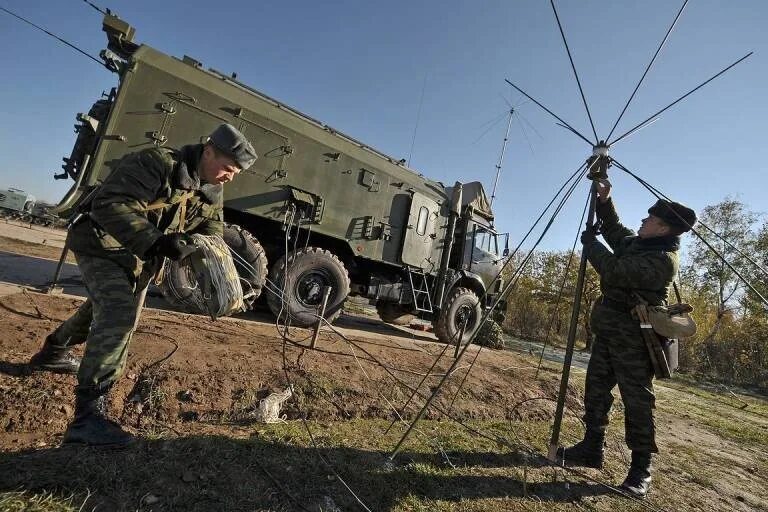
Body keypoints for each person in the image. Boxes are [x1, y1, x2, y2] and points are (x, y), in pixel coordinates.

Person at [29, 123, 257, 446]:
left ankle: (54, 349)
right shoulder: (157, 164)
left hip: (138, 255)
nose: (230, 177)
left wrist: (213, 267)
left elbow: (212, 233)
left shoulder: (212, 190)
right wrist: (159, 242)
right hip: (100, 241)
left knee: (103, 306)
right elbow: (109, 205)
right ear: (208, 151)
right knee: (120, 313)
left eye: (236, 172)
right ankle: (88, 417)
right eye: (228, 168)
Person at [557, 179, 696, 498]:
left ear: (663, 229)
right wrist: (604, 202)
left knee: (637, 402)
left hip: (635, 340)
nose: (643, 221)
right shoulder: (641, 244)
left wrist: (591, 245)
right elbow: (616, 231)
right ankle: (592, 448)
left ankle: (641, 471)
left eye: (650, 220)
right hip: (608, 333)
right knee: (595, 390)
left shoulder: (662, 261)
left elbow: (615, 271)